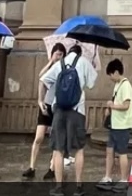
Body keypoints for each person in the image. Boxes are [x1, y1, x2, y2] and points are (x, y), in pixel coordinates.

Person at [50, 42, 97, 192]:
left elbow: (44, 79)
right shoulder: (84, 62)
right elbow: (91, 84)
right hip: (77, 111)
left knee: (58, 149)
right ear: (80, 53)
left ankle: (58, 186)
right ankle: (78, 186)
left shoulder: (60, 63)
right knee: (78, 149)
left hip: (59, 110)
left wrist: (40, 100)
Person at [22, 42, 65, 180]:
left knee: (54, 138)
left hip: (57, 106)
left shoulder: (64, 69)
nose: (59, 57)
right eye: (57, 54)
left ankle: (52, 167)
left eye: (61, 54)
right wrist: (51, 62)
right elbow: (41, 77)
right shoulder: (50, 68)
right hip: (45, 105)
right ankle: (32, 167)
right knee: (39, 137)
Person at [98, 57, 132, 189]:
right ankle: (108, 177)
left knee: (122, 152)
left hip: (122, 125)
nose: (110, 78)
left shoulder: (126, 85)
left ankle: (124, 179)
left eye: (110, 74)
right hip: (114, 124)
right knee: (109, 150)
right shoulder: (117, 85)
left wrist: (112, 106)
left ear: (116, 72)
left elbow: (126, 105)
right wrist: (110, 108)